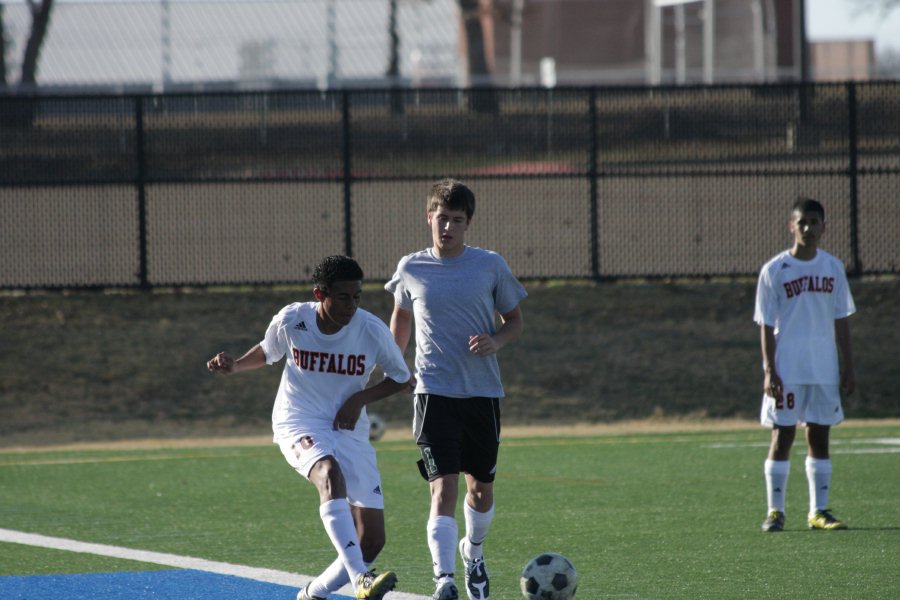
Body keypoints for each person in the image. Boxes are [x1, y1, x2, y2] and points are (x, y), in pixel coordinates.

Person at [207, 255, 409, 600]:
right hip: (297, 421)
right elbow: (267, 352)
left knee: (372, 539)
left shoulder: (370, 329)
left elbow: (402, 378)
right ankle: (361, 578)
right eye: (343, 297)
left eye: (357, 296)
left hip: (348, 428)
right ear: (320, 294)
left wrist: (359, 400)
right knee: (328, 474)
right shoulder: (293, 319)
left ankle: (312, 594)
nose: (352, 305)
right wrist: (235, 367)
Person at [385, 179, 527, 600]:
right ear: (429, 217)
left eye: (456, 220)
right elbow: (402, 318)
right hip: (432, 392)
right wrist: (396, 364)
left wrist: (495, 342)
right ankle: (444, 581)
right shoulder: (411, 267)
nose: (447, 227)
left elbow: (514, 321)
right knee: (442, 487)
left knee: (480, 490)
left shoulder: (490, 265)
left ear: (468, 224)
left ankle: (474, 551)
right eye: (441, 218)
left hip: (482, 394)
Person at [754, 197, 856, 533]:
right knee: (782, 435)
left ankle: (819, 511)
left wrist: (848, 364)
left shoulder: (832, 267)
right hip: (788, 367)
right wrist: (770, 369)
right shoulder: (775, 270)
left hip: (823, 366)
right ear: (791, 226)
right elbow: (766, 324)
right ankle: (775, 511)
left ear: (824, 226)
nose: (809, 229)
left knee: (820, 436)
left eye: (815, 222)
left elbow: (841, 319)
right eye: (803, 223)